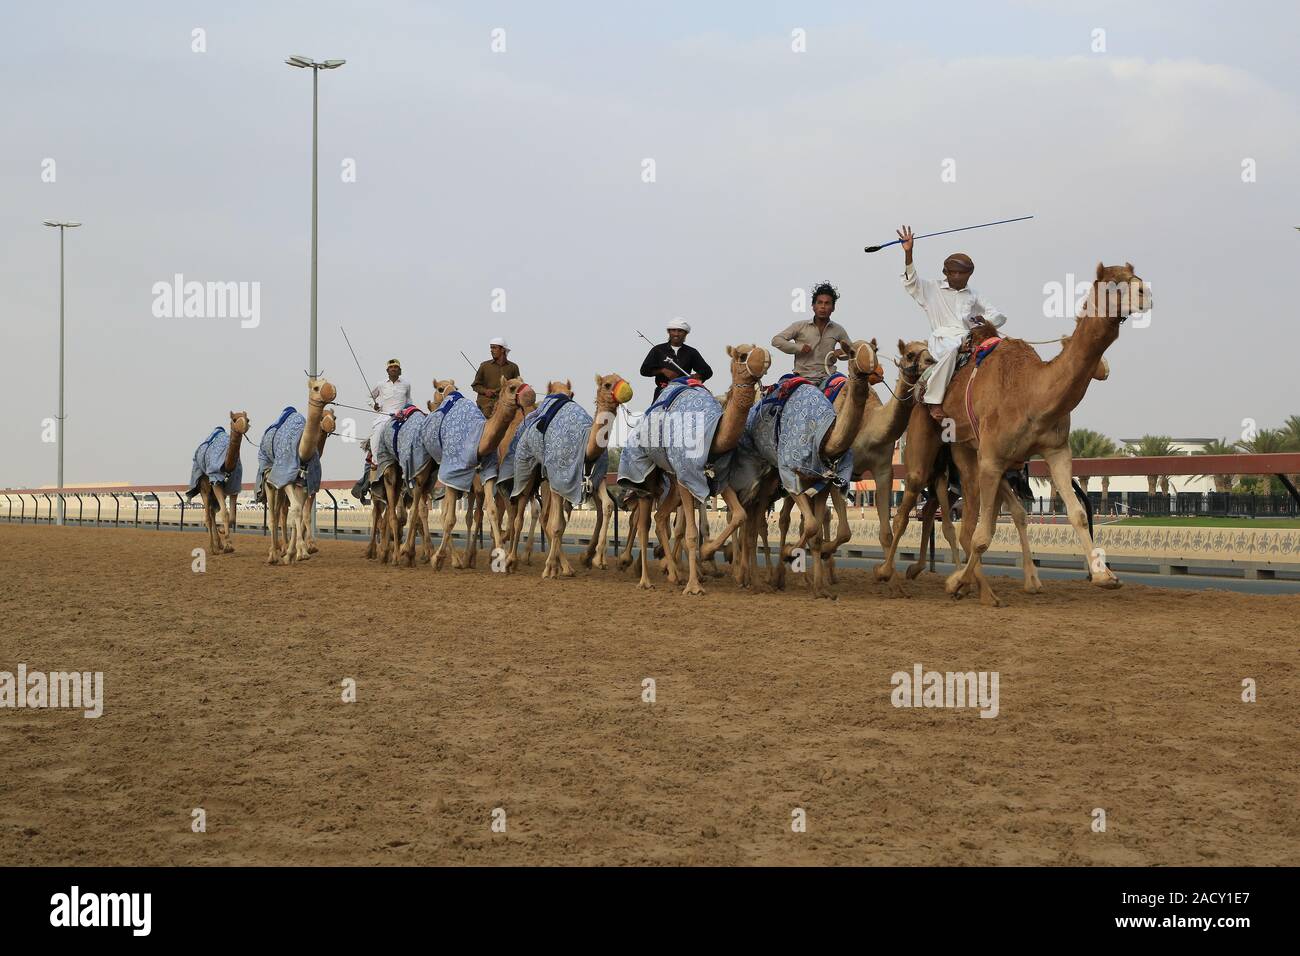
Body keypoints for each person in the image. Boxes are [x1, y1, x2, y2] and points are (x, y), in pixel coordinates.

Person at [897, 225, 1006, 423]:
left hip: (969, 337)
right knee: (953, 349)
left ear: (969, 275)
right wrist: (909, 253)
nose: (957, 277)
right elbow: (911, 282)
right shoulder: (931, 289)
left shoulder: (974, 295)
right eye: (953, 273)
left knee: (1002, 348)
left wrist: (987, 322)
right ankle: (933, 399)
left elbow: (997, 315)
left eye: (962, 274)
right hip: (943, 339)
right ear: (946, 272)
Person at [351, 358, 411, 502]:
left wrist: (411, 411)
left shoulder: (406, 384)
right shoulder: (380, 384)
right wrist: (375, 406)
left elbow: (409, 401)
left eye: (396, 368)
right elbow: (369, 397)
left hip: (401, 417)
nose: (394, 370)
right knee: (376, 435)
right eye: (391, 368)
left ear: (400, 370)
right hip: (385, 416)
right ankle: (376, 462)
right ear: (387, 371)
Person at [771, 282, 854, 385]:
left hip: (829, 377)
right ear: (813, 306)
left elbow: (853, 352)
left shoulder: (838, 329)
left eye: (827, 303)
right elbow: (776, 340)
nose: (823, 307)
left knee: (849, 389)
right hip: (804, 378)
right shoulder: (800, 326)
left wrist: (842, 353)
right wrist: (799, 347)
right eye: (820, 302)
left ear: (833, 308)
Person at [639, 319, 713, 401]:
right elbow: (644, 371)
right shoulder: (657, 350)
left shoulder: (691, 352)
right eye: (673, 330)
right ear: (669, 332)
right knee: (655, 413)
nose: (676, 334)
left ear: (685, 333)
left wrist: (697, 376)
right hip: (663, 392)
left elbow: (707, 371)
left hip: (685, 393)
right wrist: (662, 370)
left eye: (680, 331)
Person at [472, 337, 521, 418]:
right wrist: (485, 391)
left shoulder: (513, 367)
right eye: (491, 348)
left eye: (494, 347)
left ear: (502, 350)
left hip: (506, 402)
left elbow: (518, 387)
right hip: (486, 403)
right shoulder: (484, 366)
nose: (491, 350)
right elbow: (475, 385)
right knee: (487, 415)